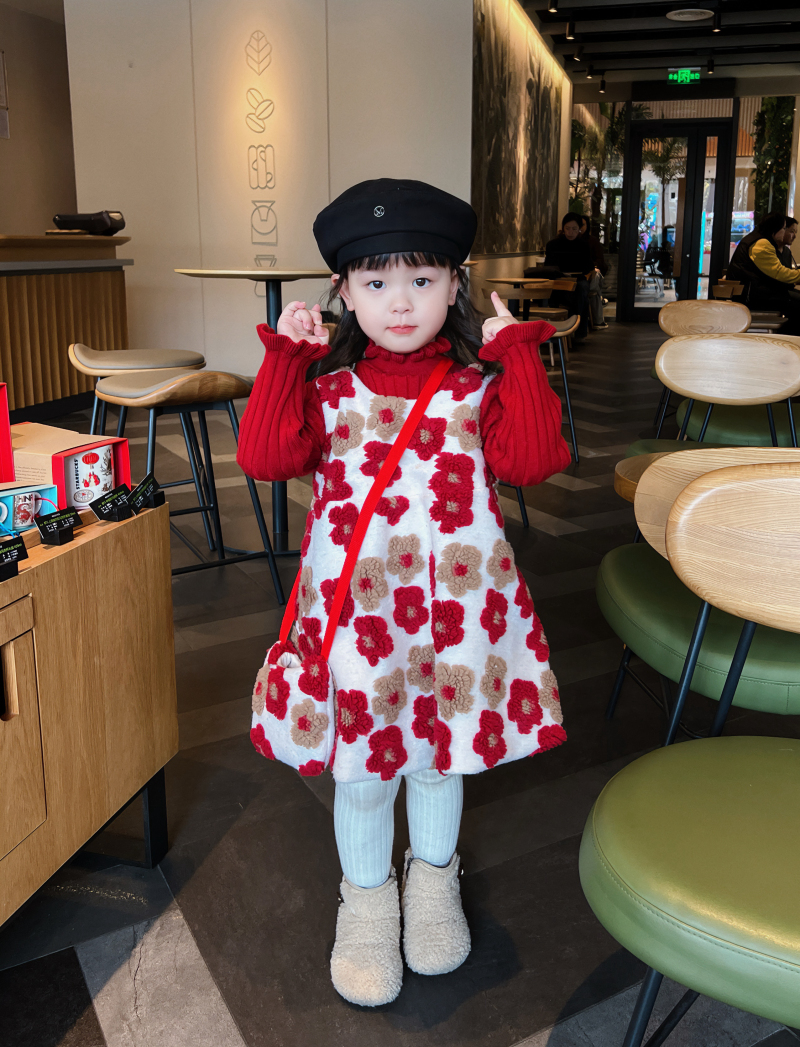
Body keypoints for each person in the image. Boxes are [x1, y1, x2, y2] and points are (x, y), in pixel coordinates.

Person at [237, 178, 571, 1007]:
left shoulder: (476, 385)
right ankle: (366, 903)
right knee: (364, 773)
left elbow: (534, 460)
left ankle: (432, 884)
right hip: (360, 624)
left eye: (422, 279)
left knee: (437, 761)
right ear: (344, 292)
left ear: (455, 285)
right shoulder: (328, 388)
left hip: (459, 620)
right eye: (376, 280)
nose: (399, 300)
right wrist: (286, 360)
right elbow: (266, 456)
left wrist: (516, 355)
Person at [728, 212, 800, 333]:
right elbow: (779, 273)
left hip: (757, 292)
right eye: (783, 228)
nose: (785, 232)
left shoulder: (761, 241)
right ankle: (788, 338)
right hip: (753, 296)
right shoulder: (761, 244)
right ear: (774, 229)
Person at [544, 212, 595, 339]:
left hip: (578, 279)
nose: (570, 232)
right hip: (559, 280)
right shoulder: (553, 245)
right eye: (567, 228)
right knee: (579, 297)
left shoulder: (584, 245)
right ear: (563, 228)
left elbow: (589, 267)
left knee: (580, 289)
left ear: (579, 229)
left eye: (574, 229)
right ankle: (572, 329)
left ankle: (574, 328)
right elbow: (548, 266)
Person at [579, 216, 609, 328]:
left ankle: (594, 293)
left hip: (593, 273)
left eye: (583, 224)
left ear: (587, 226)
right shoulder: (570, 242)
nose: (580, 227)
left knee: (595, 276)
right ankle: (598, 320)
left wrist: (594, 267)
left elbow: (600, 260)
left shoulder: (592, 241)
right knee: (594, 293)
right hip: (580, 276)